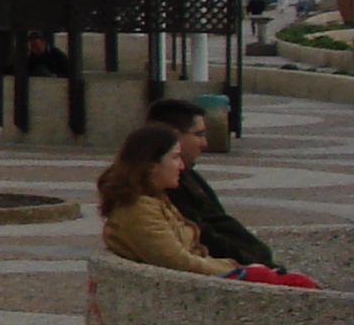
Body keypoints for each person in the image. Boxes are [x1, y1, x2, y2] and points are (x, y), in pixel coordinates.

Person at [97, 125, 317, 286]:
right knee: (293, 284)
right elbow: (177, 261)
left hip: (192, 282)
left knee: (290, 280)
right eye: (175, 158)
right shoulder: (138, 209)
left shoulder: (153, 200)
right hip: (184, 287)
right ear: (152, 165)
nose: (182, 167)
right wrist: (238, 269)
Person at [143, 97, 282, 270]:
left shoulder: (186, 176)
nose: (204, 143)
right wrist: (252, 266)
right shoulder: (165, 187)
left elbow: (217, 222)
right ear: (174, 136)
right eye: (199, 135)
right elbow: (202, 239)